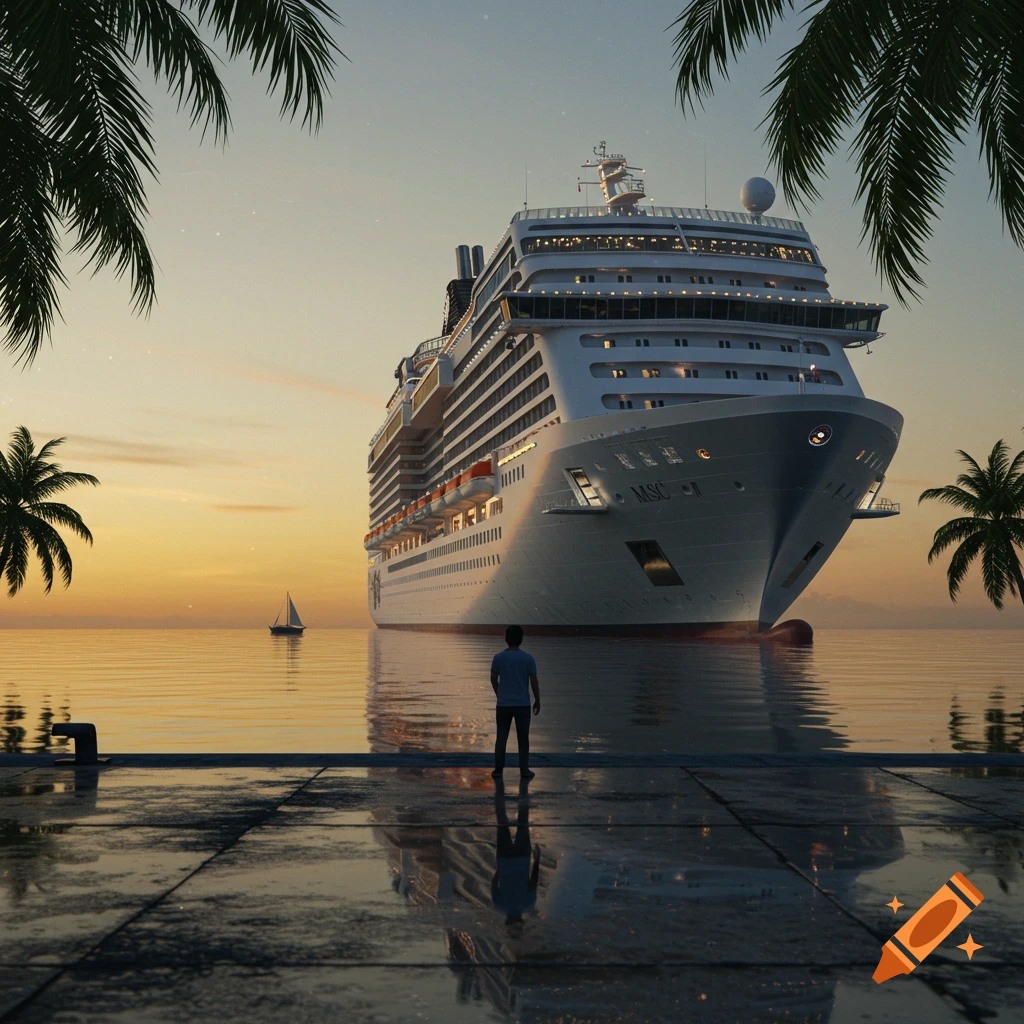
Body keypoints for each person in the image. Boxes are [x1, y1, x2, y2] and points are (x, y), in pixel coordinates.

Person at [490, 624, 540, 779]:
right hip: (522, 704)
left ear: (506, 639)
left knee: (501, 737)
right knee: (523, 738)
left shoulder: (498, 657)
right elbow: (533, 681)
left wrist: (500, 694)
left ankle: (498, 771)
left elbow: (493, 678)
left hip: (504, 704)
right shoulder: (528, 658)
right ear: (521, 640)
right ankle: (524, 770)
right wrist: (537, 700)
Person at [491, 778, 540, 936]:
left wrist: (537, 859)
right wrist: (501, 868)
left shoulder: (528, 904)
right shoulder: (499, 905)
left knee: (523, 821)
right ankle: (499, 784)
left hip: (522, 857)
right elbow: (494, 883)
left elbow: (533, 881)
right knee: (502, 821)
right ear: (507, 921)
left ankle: (524, 786)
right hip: (504, 859)